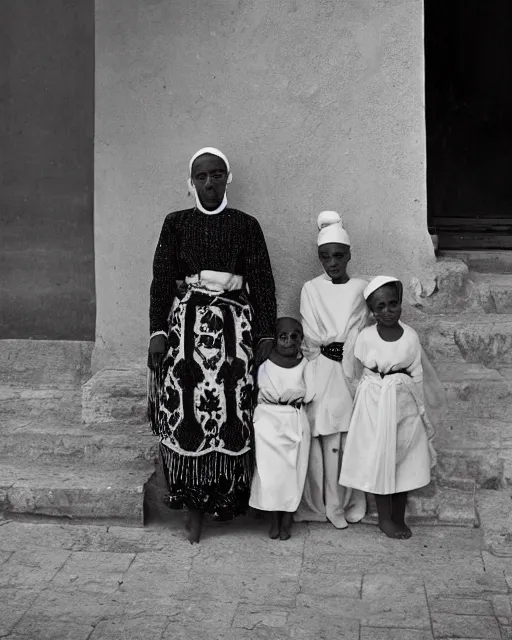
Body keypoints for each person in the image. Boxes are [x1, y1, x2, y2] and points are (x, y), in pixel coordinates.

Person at [147, 147, 276, 544]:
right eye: (201, 176)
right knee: (185, 406)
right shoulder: (176, 224)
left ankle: (225, 501)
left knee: (231, 410)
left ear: (227, 178)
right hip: (185, 328)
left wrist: (266, 334)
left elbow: (263, 281)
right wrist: (158, 332)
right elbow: (162, 279)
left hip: (233, 329)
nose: (209, 182)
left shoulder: (246, 225)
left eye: (216, 175)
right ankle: (191, 509)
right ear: (191, 181)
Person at [339, 276, 438, 539]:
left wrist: (418, 408)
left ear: (400, 303)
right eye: (380, 306)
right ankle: (385, 519)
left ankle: (398, 516)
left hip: (404, 402)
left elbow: (416, 373)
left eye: (392, 303)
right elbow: (355, 370)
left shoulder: (411, 337)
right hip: (374, 402)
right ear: (372, 311)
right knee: (379, 458)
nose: (387, 311)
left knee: (403, 458)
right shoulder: (366, 337)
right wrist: (369, 396)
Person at [295, 211, 369, 529]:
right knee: (324, 437)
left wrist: (345, 347)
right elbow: (310, 335)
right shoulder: (310, 289)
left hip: (351, 370)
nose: (333, 262)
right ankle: (326, 503)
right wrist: (329, 347)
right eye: (326, 257)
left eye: (338, 255)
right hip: (322, 370)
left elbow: (362, 329)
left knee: (350, 437)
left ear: (349, 254)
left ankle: (351, 499)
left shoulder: (362, 289)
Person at [249, 317, 313, 541]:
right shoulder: (265, 364)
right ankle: (274, 518)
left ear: (301, 339)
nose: (288, 342)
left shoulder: (305, 365)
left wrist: (296, 396)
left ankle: (287, 518)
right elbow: (260, 389)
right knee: (271, 474)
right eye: (282, 337)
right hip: (269, 422)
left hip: (294, 421)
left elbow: (310, 392)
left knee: (292, 473)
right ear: (275, 339)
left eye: (294, 337)